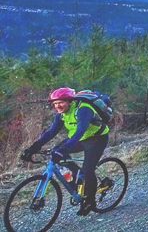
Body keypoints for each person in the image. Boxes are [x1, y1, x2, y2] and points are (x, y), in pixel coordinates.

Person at [20, 87, 110, 216]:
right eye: (55, 103)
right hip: (79, 139)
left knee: (88, 170)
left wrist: (66, 148)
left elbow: (80, 131)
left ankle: (90, 201)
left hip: (96, 139)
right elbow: (50, 132)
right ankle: (77, 176)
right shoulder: (61, 114)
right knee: (56, 152)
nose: (58, 106)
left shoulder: (83, 109)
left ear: (69, 101)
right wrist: (33, 148)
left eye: (61, 102)